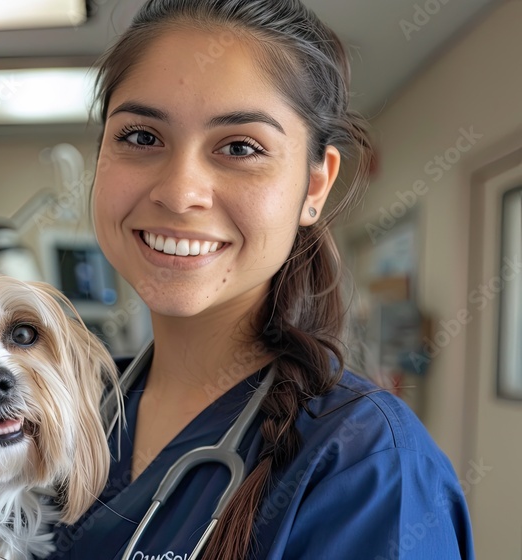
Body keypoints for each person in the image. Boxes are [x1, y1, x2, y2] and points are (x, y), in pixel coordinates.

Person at [50, 1, 474, 559]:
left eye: (240, 147)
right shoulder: (65, 408)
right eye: (141, 137)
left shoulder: (370, 466)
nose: (179, 192)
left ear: (315, 186)